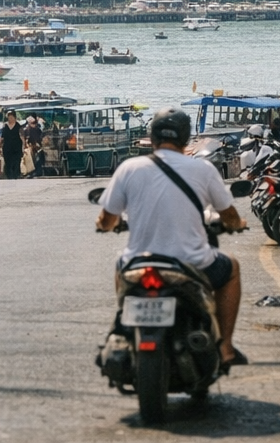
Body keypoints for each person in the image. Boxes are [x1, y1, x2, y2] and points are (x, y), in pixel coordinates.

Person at [96, 107, 248, 368]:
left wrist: (107, 225)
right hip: (192, 264)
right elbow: (230, 217)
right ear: (185, 139)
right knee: (232, 267)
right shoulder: (203, 169)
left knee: (120, 260)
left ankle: (122, 324)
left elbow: (107, 220)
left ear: (152, 137)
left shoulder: (129, 167)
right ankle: (225, 348)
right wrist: (237, 224)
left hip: (138, 264)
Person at [0, 109, 24, 180]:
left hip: (16, 148)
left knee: (16, 162)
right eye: (9, 117)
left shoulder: (19, 126)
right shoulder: (5, 126)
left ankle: (16, 176)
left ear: (15, 117)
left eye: (12, 117)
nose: (10, 119)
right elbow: (1, 137)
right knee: (8, 162)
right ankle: (9, 176)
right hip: (7, 148)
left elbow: (22, 138)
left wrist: (23, 147)